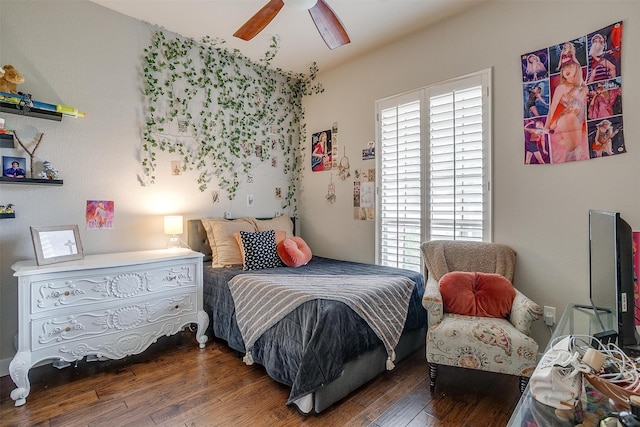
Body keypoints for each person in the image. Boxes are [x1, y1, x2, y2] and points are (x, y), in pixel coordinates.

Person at [544, 60, 589, 163]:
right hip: (567, 117)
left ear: (577, 69)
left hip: (579, 118)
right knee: (571, 148)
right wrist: (546, 125)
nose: (566, 70)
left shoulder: (583, 87)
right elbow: (553, 107)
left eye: (570, 67)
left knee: (576, 150)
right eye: (564, 69)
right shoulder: (562, 87)